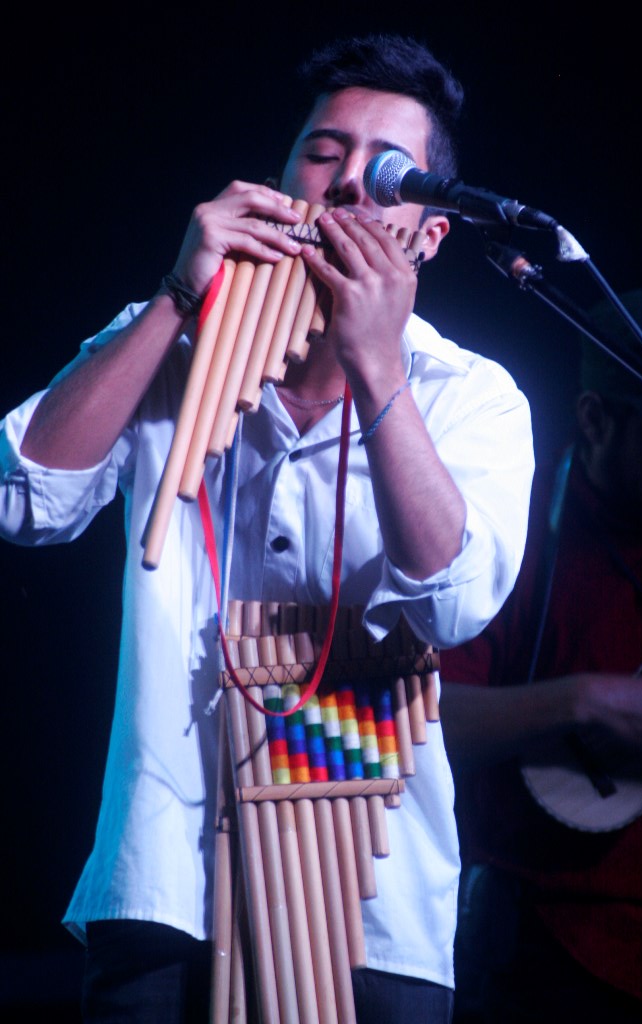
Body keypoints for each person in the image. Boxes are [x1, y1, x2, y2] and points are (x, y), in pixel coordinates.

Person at [0, 34, 534, 1024]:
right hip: (161, 877)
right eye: (323, 153)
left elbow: (454, 605)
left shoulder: (472, 396)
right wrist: (174, 300)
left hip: (370, 904)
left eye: (389, 170)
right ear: (283, 180)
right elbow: (24, 498)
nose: (347, 183)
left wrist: (378, 365)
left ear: (428, 235)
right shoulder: (165, 337)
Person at [439, 287, 642, 1023]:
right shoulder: (509, 524)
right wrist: (582, 702)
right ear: (593, 418)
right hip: (546, 954)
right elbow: (423, 725)